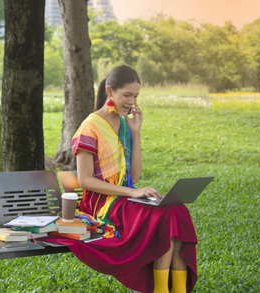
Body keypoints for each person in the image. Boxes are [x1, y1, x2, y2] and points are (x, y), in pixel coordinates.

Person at [45, 65, 197, 293]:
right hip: (101, 204)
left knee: (177, 211)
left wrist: (136, 133)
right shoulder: (90, 127)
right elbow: (85, 180)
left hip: (123, 200)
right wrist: (132, 192)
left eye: (136, 96)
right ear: (110, 91)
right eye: (127, 95)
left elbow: (133, 177)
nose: (132, 101)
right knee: (164, 217)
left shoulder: (125, 125)